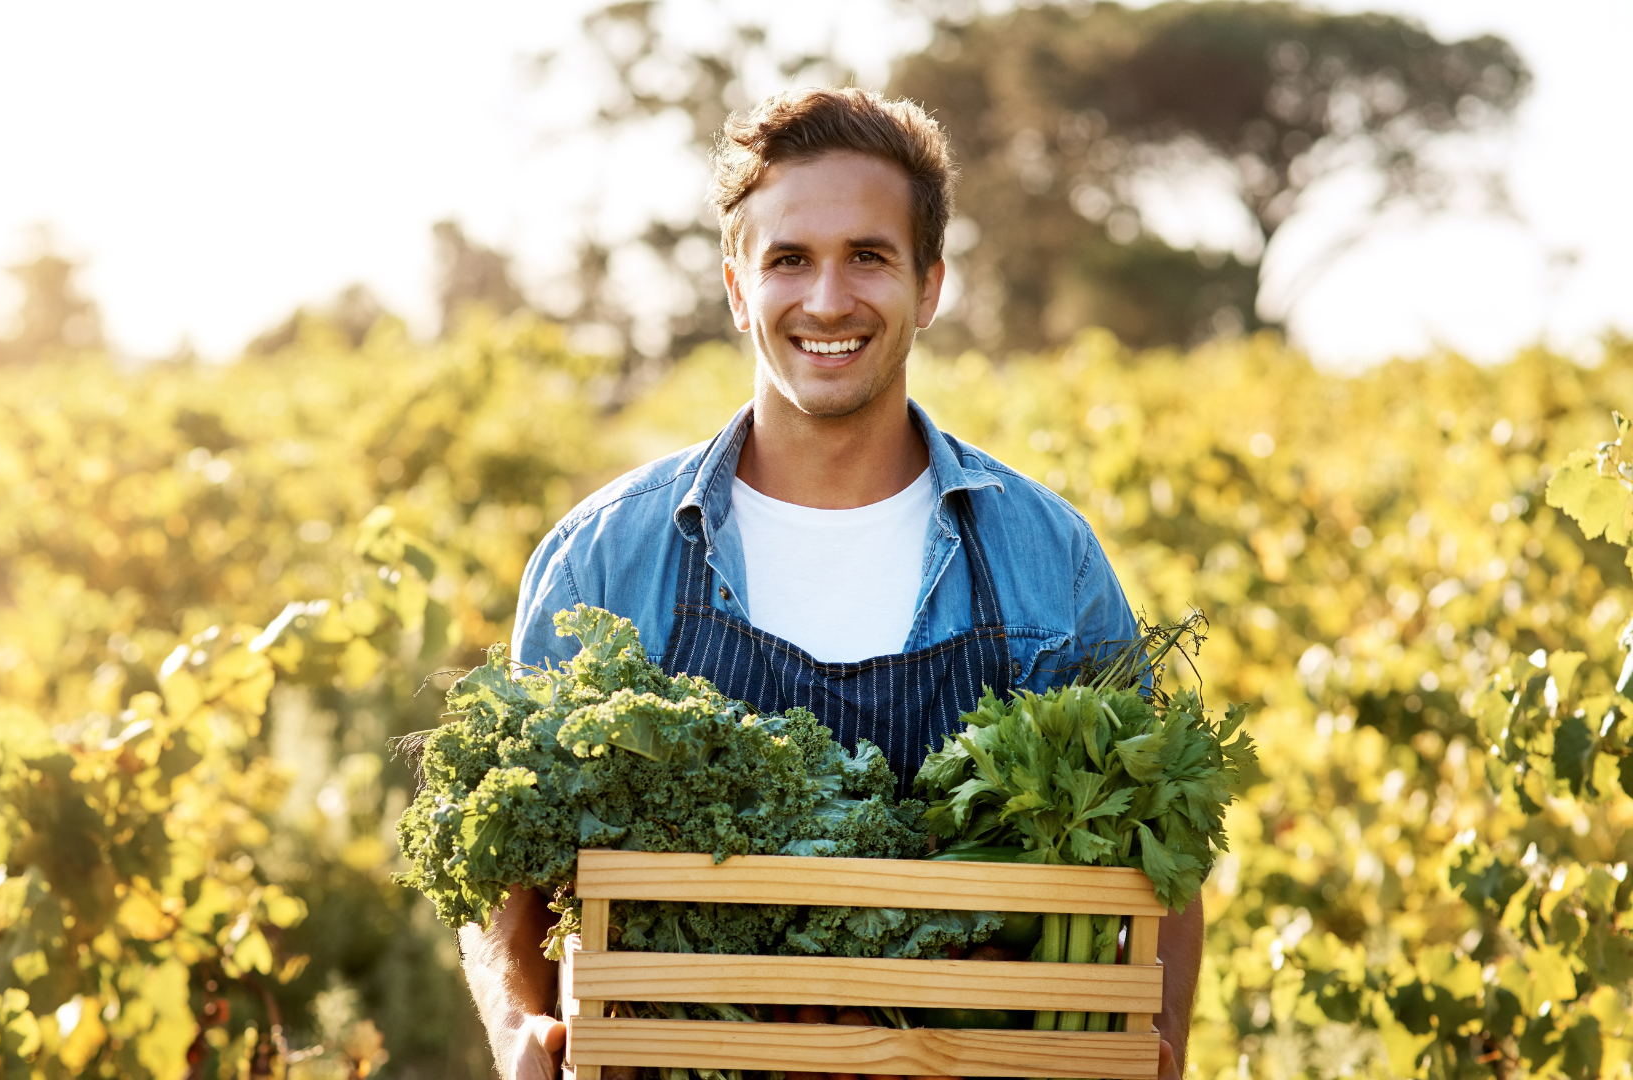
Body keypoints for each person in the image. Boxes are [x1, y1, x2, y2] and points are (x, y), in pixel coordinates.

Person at [458, 87, 1201, 1080]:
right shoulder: (605, 556)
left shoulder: (1044, 557)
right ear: (736, 288)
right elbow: (506, 858)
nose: (826, 300)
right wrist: (517, 1024)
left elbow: (1163, 855)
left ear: (929, 286)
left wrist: (1164, 1052)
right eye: (790, 260)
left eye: (869, 256)